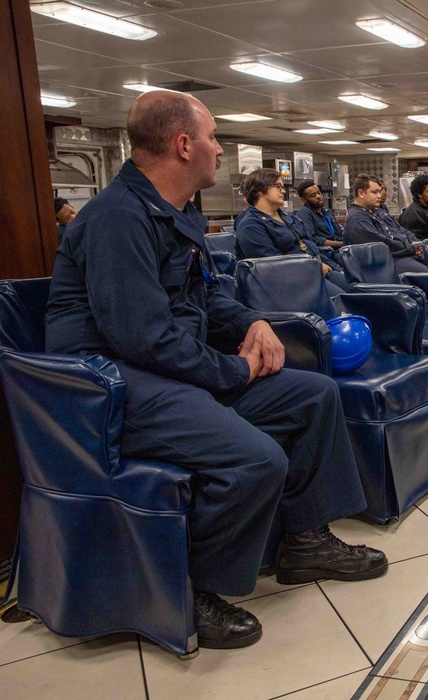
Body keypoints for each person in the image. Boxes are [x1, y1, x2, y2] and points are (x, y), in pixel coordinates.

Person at [45, 91, 387, 651]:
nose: (219, 147)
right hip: (111, 383)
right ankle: (190, 589)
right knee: (255, 458)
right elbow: (140, 336)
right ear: (184, 145)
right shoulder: (117, 219)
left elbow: (203, 300)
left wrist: (252, 323)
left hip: (167, 366)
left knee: (316, 395)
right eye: (212, 137)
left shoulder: (178, 210)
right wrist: (231, 371)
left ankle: (305, 543)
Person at [235, 169, 348, 293]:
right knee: (341, 298)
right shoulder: (250, 226)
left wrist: (335, 267)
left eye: (282, 187)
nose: (283, 191)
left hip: (317, 270)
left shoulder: (288, 217)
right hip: (291, 284)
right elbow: (272, 265)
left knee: (354, 289)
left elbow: (310, 246)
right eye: (277, 186)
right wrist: (312, 268)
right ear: (259, 190)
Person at [343, 175, 428, 275]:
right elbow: (382, 245)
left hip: (404, 255)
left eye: (379, 191)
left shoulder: (380, 212)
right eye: (375, 192)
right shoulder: (357, 219)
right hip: (384, 265)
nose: (379, 196)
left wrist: (416, 244)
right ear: (361, 193)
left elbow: (401, 230)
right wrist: (410, 248)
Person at [295, 180, 344, 253]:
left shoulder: (328, 211)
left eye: (319, 193)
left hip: (341, 250)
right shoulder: (304, 213)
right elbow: (313, 239)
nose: (318, 196)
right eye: (313, 195)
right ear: (304, 199)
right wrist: (341, 244)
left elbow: (339, 232)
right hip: (325, 253)